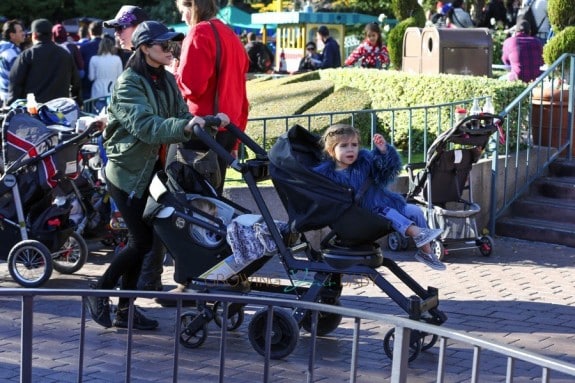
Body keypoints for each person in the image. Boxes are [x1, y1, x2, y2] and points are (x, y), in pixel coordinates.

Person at [85, 20, 230, 330]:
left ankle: (125, 311)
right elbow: (147, 128)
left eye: (172, 45)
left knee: (144, 243)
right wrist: (186, 126)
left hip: (151, 171)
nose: (171, 49)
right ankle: (99, 290)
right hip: (126, 174)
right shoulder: (129, 83)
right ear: (144, 48)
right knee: (142, 243)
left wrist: (209, 122)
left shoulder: (164, 80)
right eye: (164, 45)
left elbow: (180, 116)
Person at [312, 124, 446, 271]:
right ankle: (416, 232)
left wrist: (383, 152)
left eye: (354, 145)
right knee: (389, 213)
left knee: (415, 211)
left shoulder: (365, 162)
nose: (350, 149)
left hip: (384, 201)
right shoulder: (326, 176)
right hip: (362, 214)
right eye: (344, 146)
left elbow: (385, 172)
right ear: (331, 150)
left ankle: (426, 252)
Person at [174, 0, 250, 195]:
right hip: (228, 128)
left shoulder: (199, 32)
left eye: (183, 11)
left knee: (193, 202)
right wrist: (235, 141)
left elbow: (192, 87)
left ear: (192, 7)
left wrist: (174, 73)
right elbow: (241, 92)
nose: (183, 17)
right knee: (213, 200)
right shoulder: (232, 36)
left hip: (202, 128)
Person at [8, 19, 82, 106]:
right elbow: (76, 83)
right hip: (59, 112)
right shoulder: (65, 55)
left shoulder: (27, 55)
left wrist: (12, 106)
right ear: (51, 35)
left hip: (33, 113)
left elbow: (15, 84)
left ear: (34, 35)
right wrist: (77, 102)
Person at [88, 36, 123, 111]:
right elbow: (120, 77)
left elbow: (91, 77)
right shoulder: (117, 59)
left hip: (98, 91)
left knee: (97, 117)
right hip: (112, 91)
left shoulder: (94, 59)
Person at [0, 19, 25, 107]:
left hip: (3, 95)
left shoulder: (3, 48)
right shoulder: (11, 53)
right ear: (12, 35)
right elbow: (19, 77)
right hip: (11, 99)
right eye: (21, 31)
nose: (23, 33)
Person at [79, 20, 103, 101]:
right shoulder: (109, 46)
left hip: (87, 84)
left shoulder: (84, 47)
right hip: (107, 86)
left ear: (90, 32)